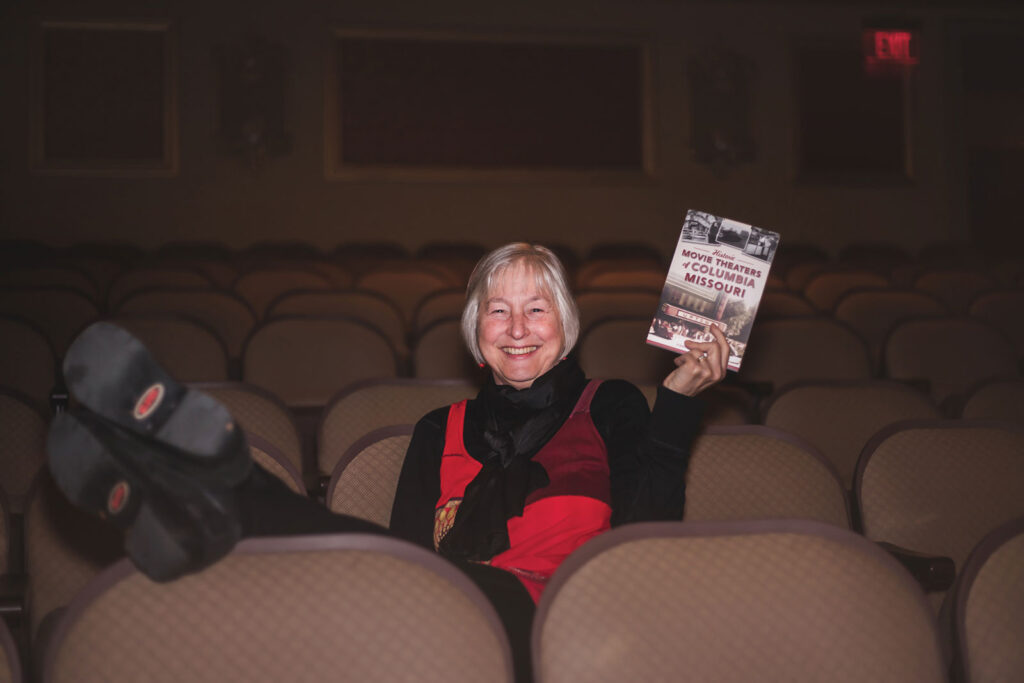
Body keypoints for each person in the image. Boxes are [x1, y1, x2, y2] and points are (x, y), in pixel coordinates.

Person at [47, 242, 729, 681]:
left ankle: (223, 488)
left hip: (581, 621)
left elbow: (647, 540)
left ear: (568, 325)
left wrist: (675, 403)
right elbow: (403, 567)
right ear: (475, 333)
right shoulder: (441, 429)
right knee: (368, 577)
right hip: (443, 624)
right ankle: (206, 493)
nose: (517, 328)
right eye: (498, 310)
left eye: (536, 308)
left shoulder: (609, 405)